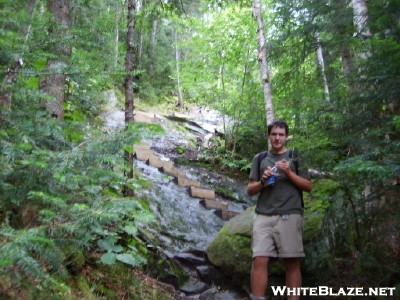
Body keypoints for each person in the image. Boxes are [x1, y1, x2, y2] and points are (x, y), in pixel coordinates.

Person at [247, 120, 312, 300]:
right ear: (269, 136)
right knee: (259, 259)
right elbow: (250, 190)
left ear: (286, 137)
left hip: (290, 214)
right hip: (263, 215)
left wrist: (289, 173)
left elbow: (308, 186)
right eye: (274, 134)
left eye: (281, 135)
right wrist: (262, 181)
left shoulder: (295, 156)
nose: (277, 138)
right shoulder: (259, 158)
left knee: (291, 261)